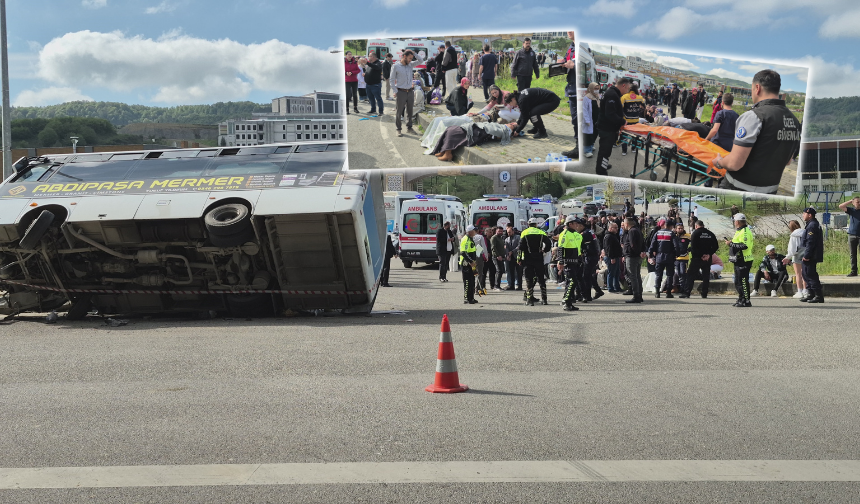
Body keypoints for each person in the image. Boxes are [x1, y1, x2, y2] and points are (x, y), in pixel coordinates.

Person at [713, 70, 801, 194]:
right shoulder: (794, 121)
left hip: (738, 188)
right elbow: (787, 161)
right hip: (770, 191)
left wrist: (719, 162)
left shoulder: (754, 116)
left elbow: (734, 163)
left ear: (757, 88)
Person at [594, 77, 631, 176]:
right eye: (627, 89)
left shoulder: (612, 93)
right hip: (607, 128)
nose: (627, 91)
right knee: (605, 151)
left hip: (608, 127)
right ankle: (601, 171)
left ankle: (603, 165)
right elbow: (610, 114)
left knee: (607, 150)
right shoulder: (612, 94)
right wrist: (622, 121)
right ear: (623, 85)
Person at [391, 49, 424, 137]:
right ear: (404, 56)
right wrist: (395, 91)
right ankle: (398, 129)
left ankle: (409, 128)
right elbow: (392, 79)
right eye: (409, 58)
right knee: (399, 111)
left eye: (411, 59)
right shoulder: (396, 66)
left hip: (410, 91)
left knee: (410, 111)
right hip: (401, 91)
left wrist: (414, 53)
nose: (410, 60)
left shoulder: (410, 65)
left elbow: (421, 60)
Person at [726, 212, 754, 307]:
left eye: (734, 221)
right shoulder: (739, 231)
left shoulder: (745, 231)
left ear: (737, 222)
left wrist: (730, 244)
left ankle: (746, 300)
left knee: (743, 281)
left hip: (744, 260)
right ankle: (741, 298)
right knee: (737, 281)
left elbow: (744, 245)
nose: (734, 223)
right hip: (738, 260)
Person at [686, 219, 718, 298]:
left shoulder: (695, 233)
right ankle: (704, 293)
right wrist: (708, 254)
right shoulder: (710, 234)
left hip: (696, 258)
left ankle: (687, 293)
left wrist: (700, 255)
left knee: (691, 275)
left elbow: (693, 247)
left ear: (696, 226)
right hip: (707, 259)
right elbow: (716, 246)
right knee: (706, 276)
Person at [799, 207, 824, 303]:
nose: (803, 215)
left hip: (811, 255)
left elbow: (810, 241)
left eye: (804, 213)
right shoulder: (811, 224)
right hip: (810, 254)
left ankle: (818, 295)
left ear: (809, 215)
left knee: (810, 274)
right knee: (805, 274)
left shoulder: (812, 225)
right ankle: (810, 294)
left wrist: (807, 255)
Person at [557, 216, 582, 311]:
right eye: (575, 223)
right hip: (567, 262)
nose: (577, 225)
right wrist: (560, 261)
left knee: (570, 282)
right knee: (572, 281)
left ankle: (568, 301)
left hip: (575, 261)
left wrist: (580, 259)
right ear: (570, 224)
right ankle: (566, 302)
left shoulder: (575, 234)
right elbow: (560, 248)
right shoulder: (564, 234)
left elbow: (577, 248)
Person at [561, 31, 578, 159]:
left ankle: (579, 147)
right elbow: (568, 60)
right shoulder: (571, 46)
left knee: (578, 119)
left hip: (579, 88)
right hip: (572, 86)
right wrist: (562, 63)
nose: (569, 31)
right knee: (575, 118)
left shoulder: (582, 45)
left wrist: (574, 64)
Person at [649, 218, 676, 299]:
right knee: (669, 275)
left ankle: (657, 292)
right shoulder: (671, 234)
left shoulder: (657, 233)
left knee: (658, 275)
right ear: (671, 226)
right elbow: (676, 246)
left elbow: (652, 245)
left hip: (659, 257)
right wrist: (676, 254)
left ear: (664, 225)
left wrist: (650, 255)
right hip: (669, 257)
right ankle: (668, 292)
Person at [621, 217, 645, 303]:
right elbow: (643, 242)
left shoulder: (632, 231)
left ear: (627, 224)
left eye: (624, 223)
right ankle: (639, 295)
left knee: (633, 276)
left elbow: (633, 244)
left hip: (632, 256)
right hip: (636, 256)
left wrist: (636, 252)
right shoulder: (637, 230)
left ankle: (636, 296)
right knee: (637, 276)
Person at [579, 219, 604, 301]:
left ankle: (587, 296)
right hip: (594, 256)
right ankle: (598, 290)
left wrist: (583, 252)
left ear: (582, 226)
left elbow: (588, 247)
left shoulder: (585, 233)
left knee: (585, 276)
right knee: (589, 275)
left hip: (590, 256)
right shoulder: (589, 231)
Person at [620, 84, 646, 156]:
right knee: (635, 135)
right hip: (635, 120)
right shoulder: (640, 97)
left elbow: (620, 108)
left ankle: (624, 151)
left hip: (626, 120)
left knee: (624, 136)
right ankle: (633, 149)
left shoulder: (624, 97)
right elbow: (644, 106)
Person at [783, 219, 807, 298]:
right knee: (805, 274)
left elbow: (792, 248)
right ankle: (805, 290)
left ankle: (799, 291)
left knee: (798, 274)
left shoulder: (793, 235)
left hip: (796, 255)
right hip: (805, 254)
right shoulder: (805, 232)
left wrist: (788, 257)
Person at [838, 196, 860, 276]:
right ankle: (854, 271)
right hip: (852, 235)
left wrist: (855, 201)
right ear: (854, 203)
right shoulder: (851, 210)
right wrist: (851, 201)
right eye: (857, 202)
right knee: (852, 254)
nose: (859, 203)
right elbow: (841, 206)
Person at [459, 225, 479, 304]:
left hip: (471, 263)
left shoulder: (471, 239)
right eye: (474, 230)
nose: (475, 232)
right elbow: (463, 252)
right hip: (466, 264)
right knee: (467, 281)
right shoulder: (466, 239)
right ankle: (467, 298)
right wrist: (470, 261)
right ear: (470, 231)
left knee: (472, 281)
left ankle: (471, 298)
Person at [673, 222, 692, 298]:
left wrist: (688, 250)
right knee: (678, 273)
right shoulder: (674, 236)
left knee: (683, 273)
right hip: (676, 258)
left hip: (684, 258)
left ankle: (684, 290)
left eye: (681, 228)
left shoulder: (687, 236)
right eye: (679, 228)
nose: (680, 229)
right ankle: (680, 288)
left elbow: (694, 244)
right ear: (675, 229)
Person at [581, 82, 599, 158]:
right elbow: (585, 110)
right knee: (588, 135)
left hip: (597, 119)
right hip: (589, 120)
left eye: (598, 88)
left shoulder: (598, 96)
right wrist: (587, 120)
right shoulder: (587, 97)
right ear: (591, 88)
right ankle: (586, 151)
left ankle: (591, 145)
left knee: (595, 133)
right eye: (595, 88)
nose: (597, 90)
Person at [603, 221, 622, 293]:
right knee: (611, 273)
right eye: (615, 228)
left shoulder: (613, 236)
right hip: (611, 257)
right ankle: (610, 288)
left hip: (616, 256)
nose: (617, 229)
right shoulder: (608, 236)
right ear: (610, 228)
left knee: (617, 273)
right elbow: (608, 248)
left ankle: (617, 287)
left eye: (617, 228)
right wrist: (612, 257)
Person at [505, 225, 523, 290]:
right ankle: (511, 285)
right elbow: (506, 248)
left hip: (517, 256)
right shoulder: (507, 239)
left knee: (518, 272)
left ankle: (519, 285)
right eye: (507, 232)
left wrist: (512, 251)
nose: (508, 233)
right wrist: (508, 255)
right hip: (511, 257)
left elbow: (519, 246)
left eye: (509, 232)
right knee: (511, 271)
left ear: (513, 231)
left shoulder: (518, 237)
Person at [490, 226, 506, 291]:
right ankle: (496, 286)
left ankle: (498, 285)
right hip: (496, 257)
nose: (500, 232)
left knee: (501, 271)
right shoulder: (494, 238)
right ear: (496, 231)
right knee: (499, 271)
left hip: (501, 257)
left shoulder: (500, 238)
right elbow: (493, 247)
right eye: (499, 231)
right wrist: (497, 255)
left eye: (501, 231)